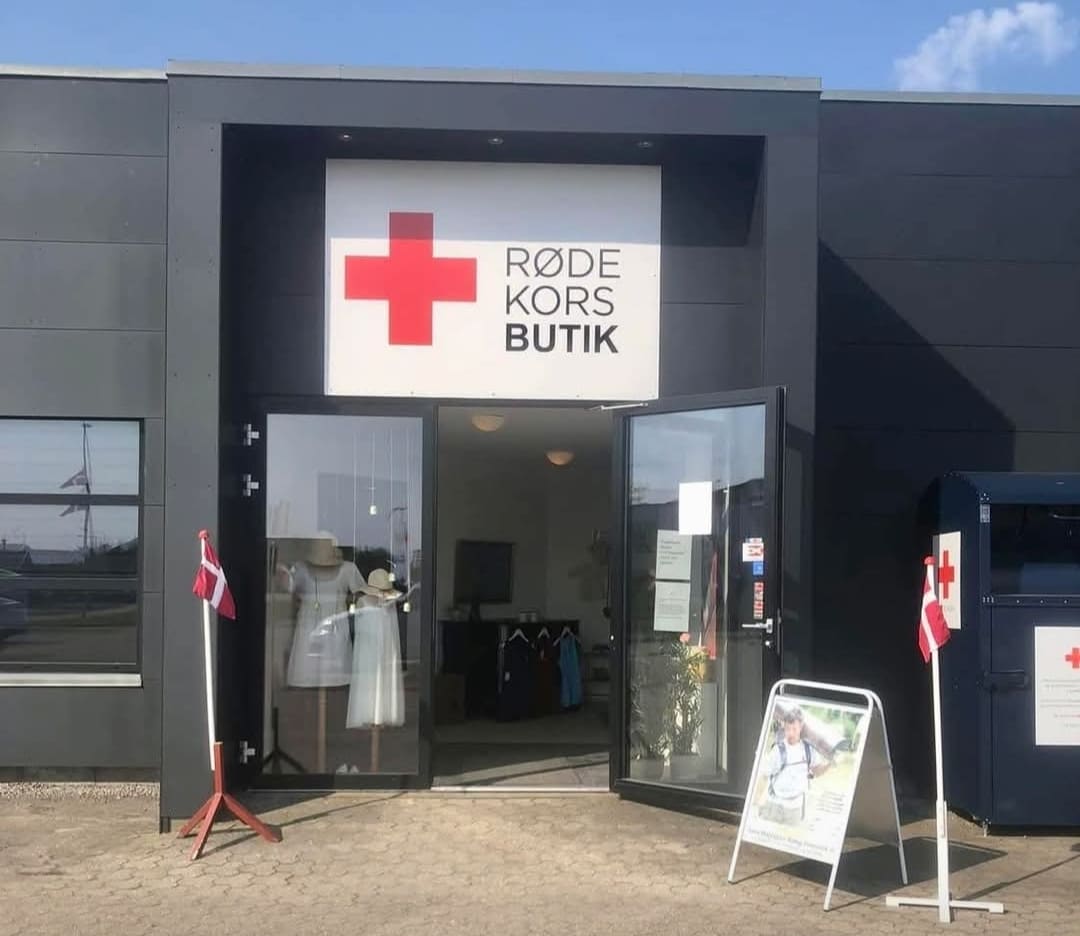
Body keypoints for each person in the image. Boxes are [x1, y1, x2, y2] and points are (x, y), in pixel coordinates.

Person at [758, 706, 830, 825]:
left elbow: (816, 772)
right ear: (783, 726)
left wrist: (829, 765)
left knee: (792, 833)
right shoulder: (777, 750)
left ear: (801, 727)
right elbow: (764, 776)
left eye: (794, 729)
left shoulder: (808, 749)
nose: (790, 733)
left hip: (795, 807)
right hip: (774, 804)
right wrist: (758, 802)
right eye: (787, 729)